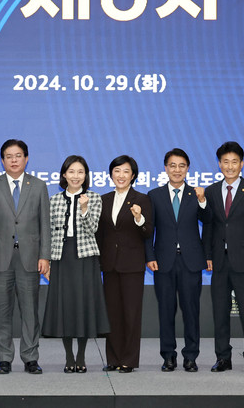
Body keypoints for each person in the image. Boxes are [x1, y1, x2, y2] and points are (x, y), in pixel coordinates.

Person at [0, 139, 51, 375]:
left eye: (18, 156)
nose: (14, 160)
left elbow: (45, 224)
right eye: (9, 156)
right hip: (1, 257)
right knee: (2, 312)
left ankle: (31, 358)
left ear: (26, 158)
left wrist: (45, 256)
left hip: (30, 257)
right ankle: (4, 358)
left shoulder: (38, 186)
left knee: (30, 312)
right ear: (2, 160)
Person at [203, 141, 244, 373]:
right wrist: (207, 255)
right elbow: (208, 225)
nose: (230, 166)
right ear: (219, 164)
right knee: (220, 313)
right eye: (225, 162)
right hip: (220, 261)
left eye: (234, 162)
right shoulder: (211, 191)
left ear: (242, 164)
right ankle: (223, 357)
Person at [42, 155, 109, 373]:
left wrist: (84, 209)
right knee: (66, 307)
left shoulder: (94, 198)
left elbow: (93, 229)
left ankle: (81, 356)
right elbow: (48, 233)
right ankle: (68, 357)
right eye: (71, 171)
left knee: (83, 306)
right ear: (64, 174)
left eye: (80, 172)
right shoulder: (54, 200)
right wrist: (48, 260)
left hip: (85, 258)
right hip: (61, 257)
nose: (76, 176)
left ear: (86, 175)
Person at [146, 148, 207, 372]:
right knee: (166, 311)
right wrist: (149, 256)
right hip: (163, 261)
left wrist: (203, 201)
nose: (177, 170)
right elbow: (149, 230)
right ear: (165, 168)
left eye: (182, 166)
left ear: (188, 168)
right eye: (173, 165)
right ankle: (168, 356)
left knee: (191, 311)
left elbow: (209, 221)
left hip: (191, 262)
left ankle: (191, 356)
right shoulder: (154, 195)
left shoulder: (197, 194)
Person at [96, 155, 153, 373]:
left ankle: (128, 359)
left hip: (132, 265)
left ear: (133, 175)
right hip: (109, 264)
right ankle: (113, 358)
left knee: (131, 313)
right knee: (112, 313)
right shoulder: (103, 200)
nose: (121, 175)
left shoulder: (142, 199)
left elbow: (148, 232)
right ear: (111, 174)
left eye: (126, 171)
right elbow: (100, 234)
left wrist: (139, 218)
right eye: (117, 171)